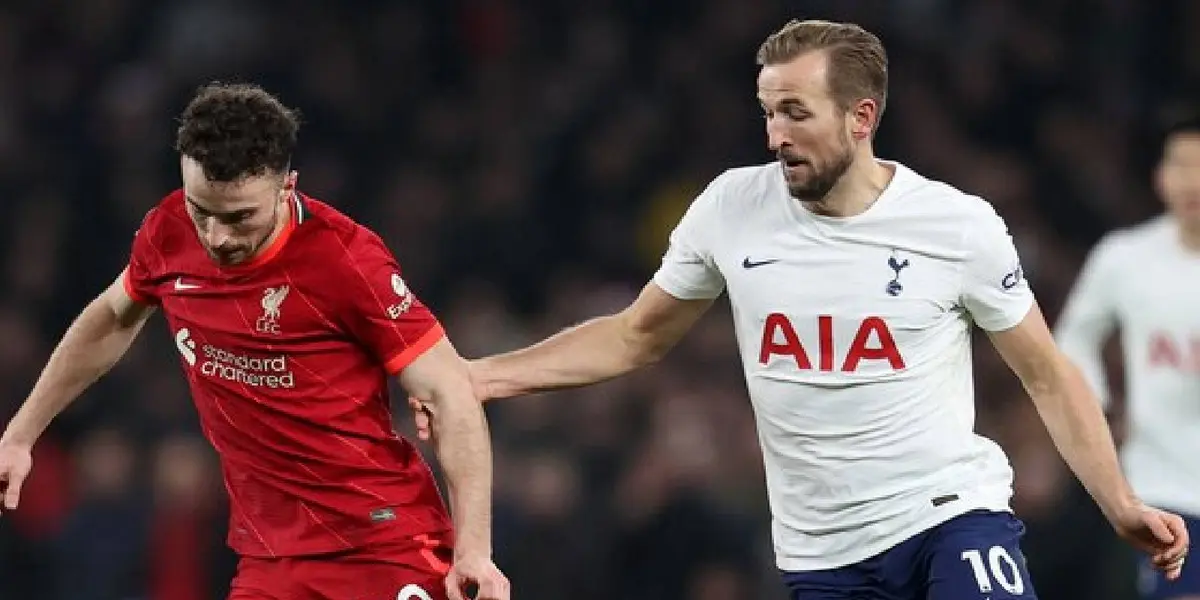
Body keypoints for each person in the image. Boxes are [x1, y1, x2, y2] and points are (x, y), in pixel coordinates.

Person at [410, 19, 1189, 600]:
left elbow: (1049, 376)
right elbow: (634, 337)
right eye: (769, 112)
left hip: (950, 516)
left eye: (796, 113)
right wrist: (482, 378)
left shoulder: (956, 225)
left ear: (862, 117)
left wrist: (1118, 501)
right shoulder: (730, 209)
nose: (776, 134)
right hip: (821, 554)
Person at [0, 82, 509, 600]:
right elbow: (111, 318)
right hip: (269, 561)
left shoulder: (344, 259)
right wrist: (21, 434)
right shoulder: (167, 230)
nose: (218, 237)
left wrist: (473, 551)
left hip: (380, 545)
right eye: (204, 211)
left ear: (287, 187)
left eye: (240, 216)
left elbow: (451, 392)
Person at [1055, 115, 1200, 600]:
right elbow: (1074, 337)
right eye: (1181, 164)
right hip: (1164, 486)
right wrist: (1093, 406)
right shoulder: (1125, 258)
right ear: (1161, 174)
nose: (1192, 180)